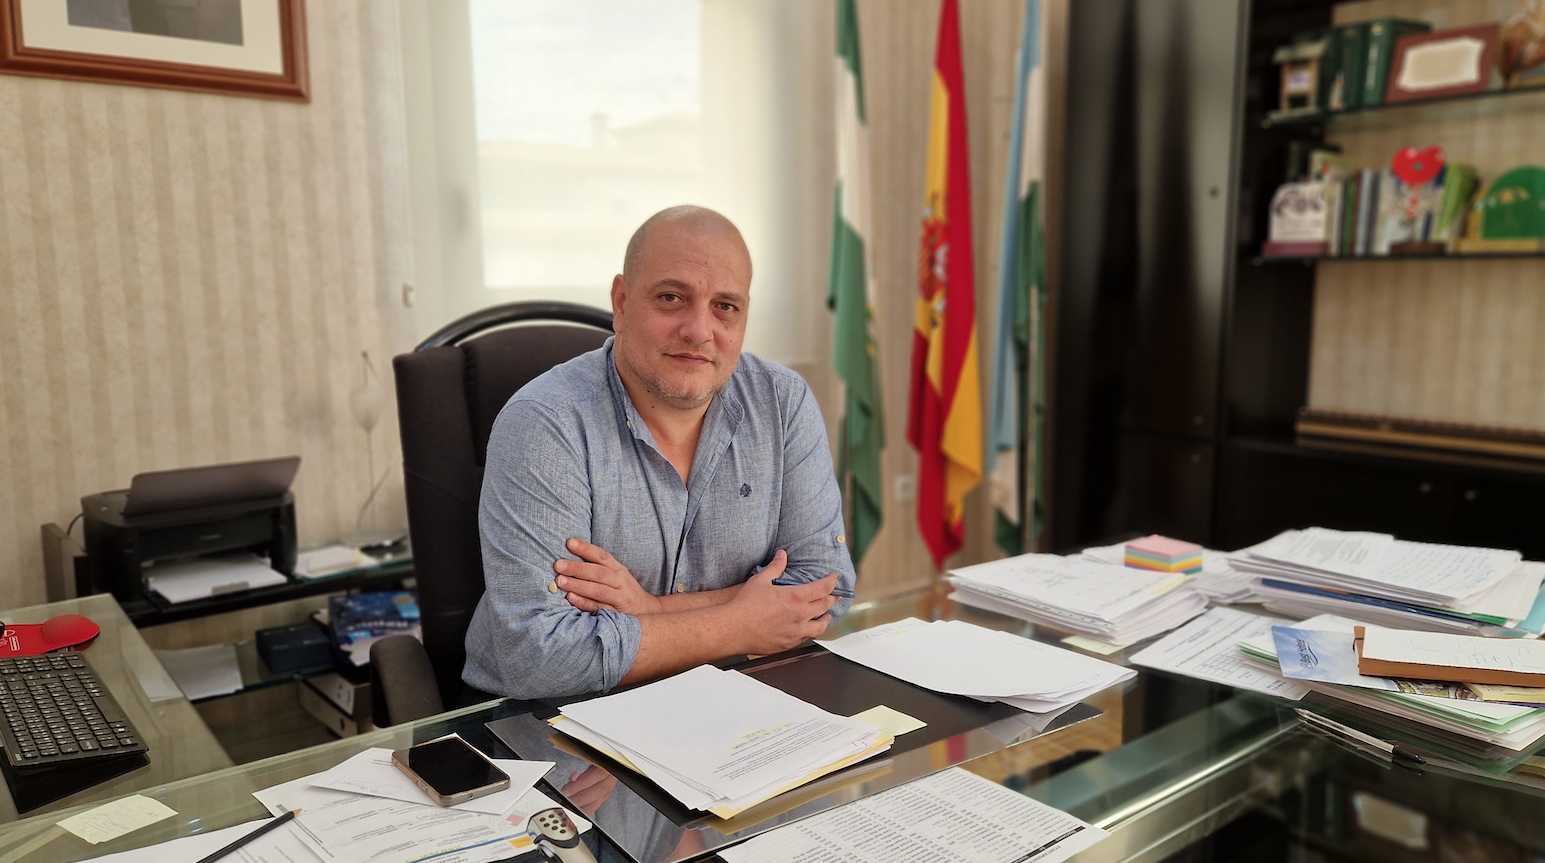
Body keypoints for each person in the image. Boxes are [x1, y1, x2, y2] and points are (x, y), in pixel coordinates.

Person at [462, 205, 856, 700]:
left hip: (733, 698)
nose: (699, 330)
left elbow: (826, 588)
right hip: (556, 719)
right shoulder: (545, 421)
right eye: (672, 298)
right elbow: (540, 658)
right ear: (622, 302)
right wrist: (739, 625)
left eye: (725, 306)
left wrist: (651, 610)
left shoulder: (782, 401)